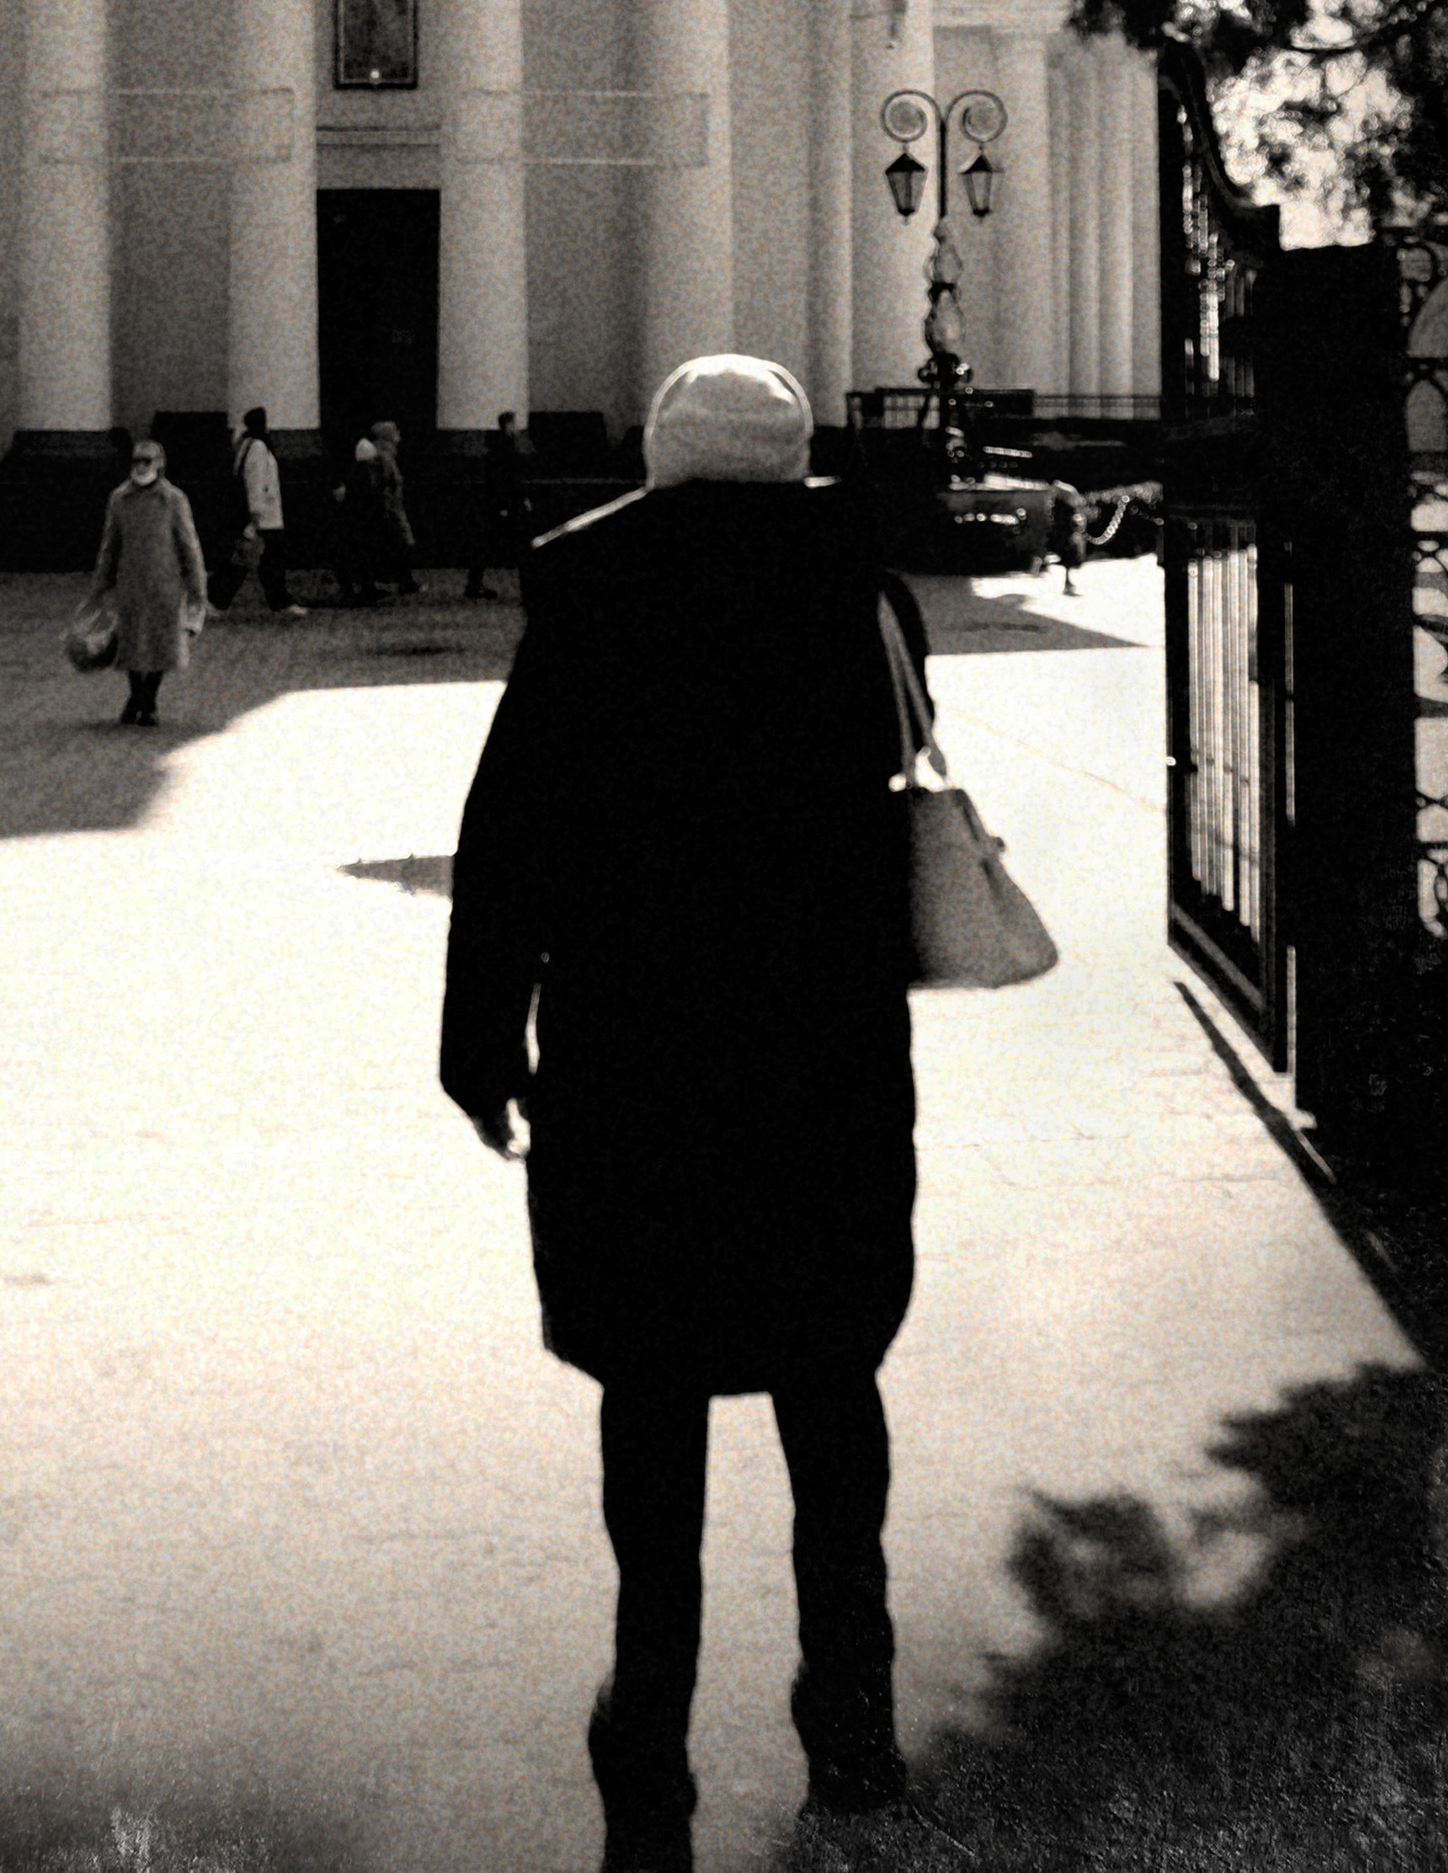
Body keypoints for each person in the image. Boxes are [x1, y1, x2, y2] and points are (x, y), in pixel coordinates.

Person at [440, 354, 931, 1867]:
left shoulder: (589, 600)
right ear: (792, 460)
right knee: (829, 1380)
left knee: (650, 1395)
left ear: (659, 454)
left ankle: (648, 1704)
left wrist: (479, 1039)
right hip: (821, 1052)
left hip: (637, 1050)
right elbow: (902, 780)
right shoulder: (866, 592)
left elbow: (507, 834)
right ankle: (849, 1698)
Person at [91, 434, 209, 729]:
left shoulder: (173, 500)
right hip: (130, 583)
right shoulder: (119, 499)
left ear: (160, 464)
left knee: (161, 645)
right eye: (136, 461)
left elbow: (189, 545)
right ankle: (137, 697)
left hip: (165, 585)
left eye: (147, 461)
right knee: (130, 645)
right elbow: (110, 545)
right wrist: (99, 586)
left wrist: (197, 588)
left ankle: (149, 701)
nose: (141, 466)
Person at [228, 405, 303, 617]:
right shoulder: (259, 447)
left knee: (246, 559)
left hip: (260, 515)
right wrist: (256, 513)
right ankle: (280, 601)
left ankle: (218, 598)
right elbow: (257, 481)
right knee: (269, 561)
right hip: (266, 516)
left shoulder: (246, 444)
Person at [462, 408, 537, 605]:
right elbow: (510, 478)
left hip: (498, 503)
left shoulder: (495, 448)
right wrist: (514, 500)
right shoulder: (507, 449)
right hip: (507, 504)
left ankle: (474, 583)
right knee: (521, 546)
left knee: (485, 544)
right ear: (508, 425)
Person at [335, 419, 416, 603]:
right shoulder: (383, 457)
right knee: (384, 546)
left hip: (374, 510)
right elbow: (388, 485)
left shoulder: (371, 457)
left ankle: (368, 586)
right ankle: (388, 583)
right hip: (382, 510)